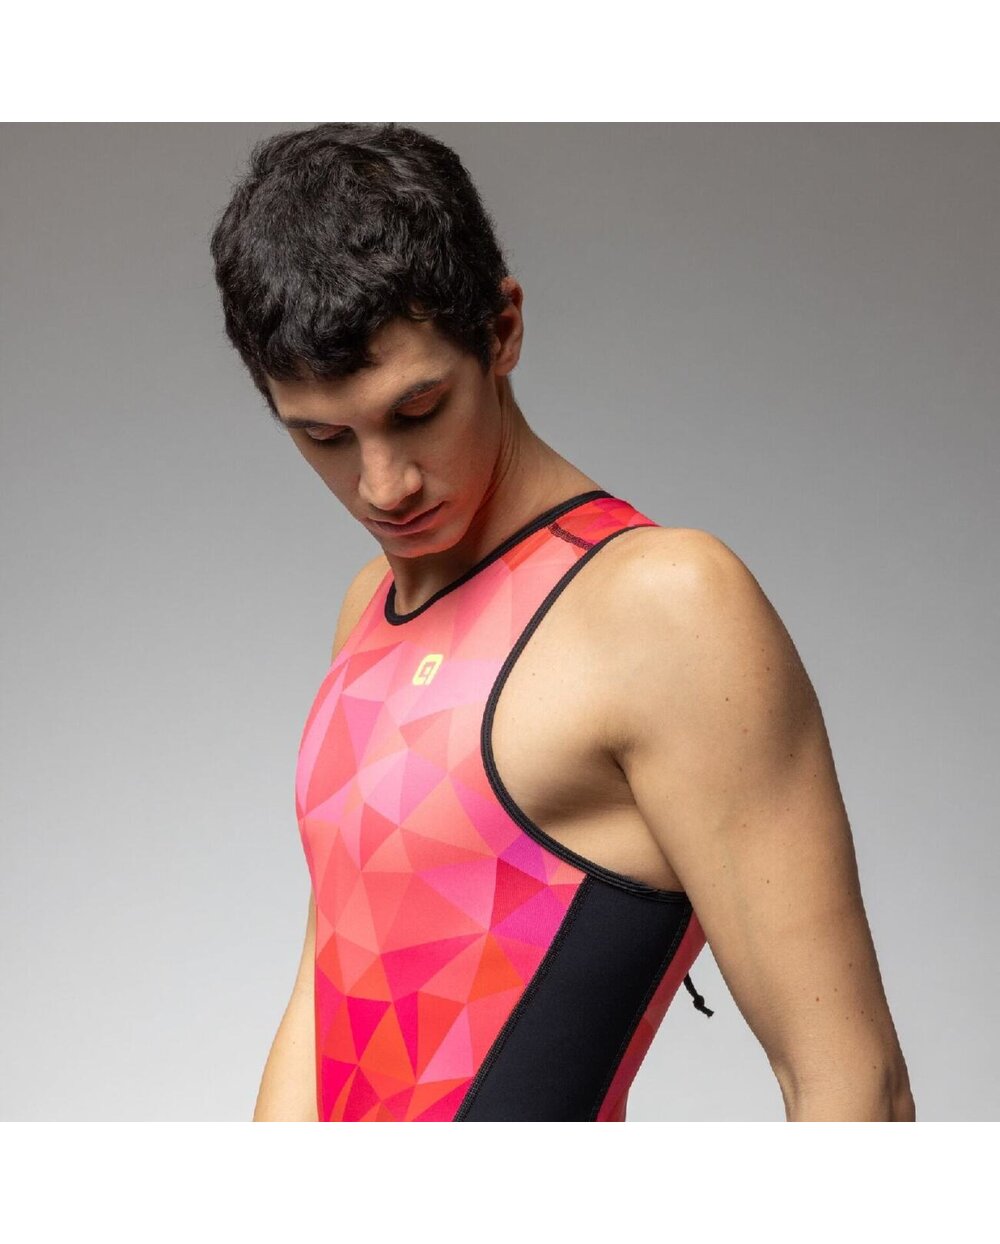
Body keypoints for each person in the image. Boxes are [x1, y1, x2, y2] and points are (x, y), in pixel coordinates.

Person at [209, 122, 915, 1122]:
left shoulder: (665, 606)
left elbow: (851, 1080)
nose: (383, 484)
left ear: (502, 330)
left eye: (418, 410)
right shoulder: (369, 607)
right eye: (324, 435)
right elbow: (325, 996)